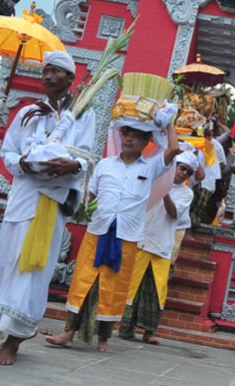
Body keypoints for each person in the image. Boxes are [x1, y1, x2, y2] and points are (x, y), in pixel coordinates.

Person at [0, 51, 96, 366]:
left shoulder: (83, 113)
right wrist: (24, 163)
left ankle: (13, 342)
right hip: (22, 196)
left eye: (56, 72)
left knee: (31, 271)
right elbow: (7, 152)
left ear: (70, 79)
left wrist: (69, 164)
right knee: (7, 265)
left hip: (50, 201)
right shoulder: (27, 113)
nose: (48, 76)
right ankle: (5, 330)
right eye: (45, 71)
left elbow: (86, 158)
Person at [45, 106, 180, 353]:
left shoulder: (149, 168)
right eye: (125, 132)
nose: (128, 138)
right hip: (97, 231)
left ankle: (103, 338)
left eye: (135, 134)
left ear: (145, 141)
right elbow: (90, 194)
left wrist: (169, 122)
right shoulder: (105, 165)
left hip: (126, 237)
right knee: (84, 282)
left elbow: (173, 149)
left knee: (113, 288)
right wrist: (82, 205)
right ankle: (68, 332)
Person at [118, 150, 196, 344]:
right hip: (142, 240)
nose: (184, 173)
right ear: (174, 167)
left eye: (188, 171)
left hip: (162, 246)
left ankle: (149, 332)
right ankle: (125, 327)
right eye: (182, 168)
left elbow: (173, 214)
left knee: (157, 290)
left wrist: (164, 192)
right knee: (132, 287)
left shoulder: (187, 193)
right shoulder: (154, 180)